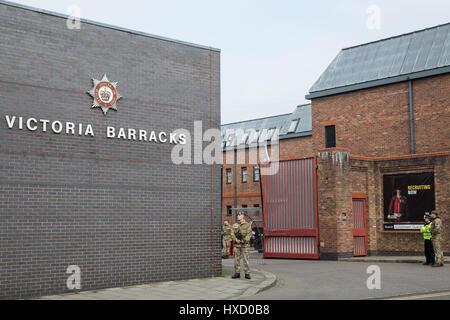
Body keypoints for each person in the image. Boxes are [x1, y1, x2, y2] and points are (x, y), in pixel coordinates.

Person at [231, 211, 252, 279]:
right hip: (237, 245)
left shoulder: (247, 225)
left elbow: (249, 234)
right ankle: (237, 273)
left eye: (239, 215)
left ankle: (247, 273)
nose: (238, 216)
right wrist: (235, 239)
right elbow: (232, 233)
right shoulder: (234, 225)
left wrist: (244, 240)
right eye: (237, 215)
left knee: (246, 260)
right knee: (236, 260)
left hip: (245, 245)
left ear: (243, 216)